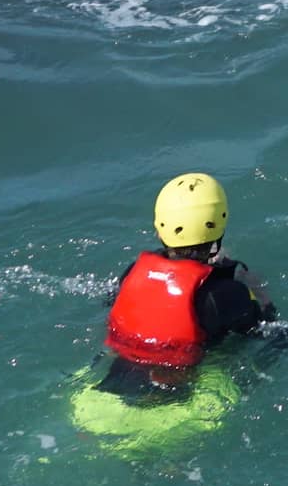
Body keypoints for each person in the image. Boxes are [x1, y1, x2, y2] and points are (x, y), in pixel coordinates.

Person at [78, 174, 276, 439]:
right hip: (176, 411)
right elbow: (263, 325)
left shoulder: (133, 272)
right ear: (221, 224)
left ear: (159, 228)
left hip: (102, 397)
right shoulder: (223, 295)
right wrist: (257, 288)